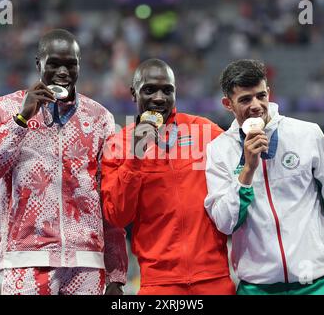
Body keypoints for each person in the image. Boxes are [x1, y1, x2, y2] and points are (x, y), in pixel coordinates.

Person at [0, 29, 127, 295]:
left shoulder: (100, 119)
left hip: (87, 263)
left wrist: (116, 274)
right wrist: (20, 121)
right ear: (38, 63)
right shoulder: (2, 109)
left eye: (70, 64)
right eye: (54, 63)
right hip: (26, 260)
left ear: (79, 66)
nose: (63, 71)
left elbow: (108, 199)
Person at [204, 59, 324, 295]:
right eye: (245, 99)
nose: (256, 105)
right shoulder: (219, 150)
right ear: (228, 104)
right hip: (256, 288)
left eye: (261, 95)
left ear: (269, 92)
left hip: (318, 284)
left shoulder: (307, 134)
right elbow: (224, 223)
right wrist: (247, 170)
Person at [101, 59, 236, 295]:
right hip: (159, 284)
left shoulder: (205, 131)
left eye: (167, 90)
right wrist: (135, 156)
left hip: (214, 278)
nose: (159, 98)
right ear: (134, 94)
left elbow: (249, 161)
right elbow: (117, 215)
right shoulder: (119, 144)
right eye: (149, 90)